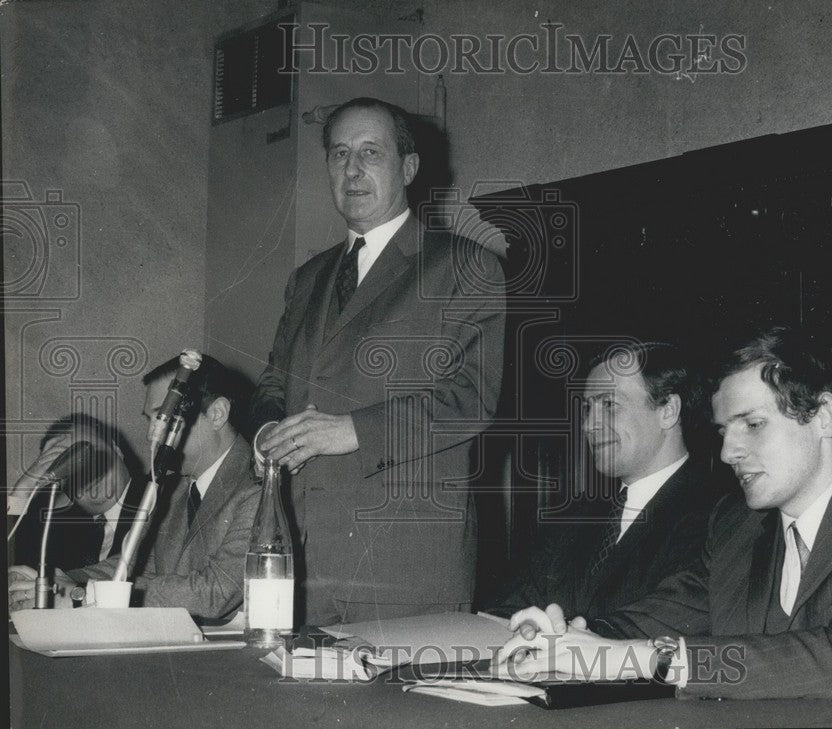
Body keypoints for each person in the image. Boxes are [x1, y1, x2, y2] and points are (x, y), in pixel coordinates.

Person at [498, 326, 832, 702]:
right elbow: (659, 619)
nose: (727, 452)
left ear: (824, 415)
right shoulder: (737, 525)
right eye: (724, 430)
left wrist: (649, 660)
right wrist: (568, 635)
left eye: (753, 425)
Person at [251, 97, 505, 625]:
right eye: (340, 153)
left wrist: (354, 431)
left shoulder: (464, 265)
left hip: (404, 570)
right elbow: (275, 383)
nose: (352, 168)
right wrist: (266, 435)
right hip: (300, 567)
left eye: (371, 152)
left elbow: (471, 400)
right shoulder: (307, 279)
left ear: (408, 168)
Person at [9, 355, 260, 622]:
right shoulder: (174, 489)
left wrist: (85, 594)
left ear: (217, 414)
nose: (152, 434)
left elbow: (216, 593)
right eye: (150, 420)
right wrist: (55, 582)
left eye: (163, 417)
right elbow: (133, 565)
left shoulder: (258, 485)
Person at [488, 342, 718, 622]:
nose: (588, 425)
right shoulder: (573, 517)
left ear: (668, 410)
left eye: (609, 405)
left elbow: (665, 622)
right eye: (588, 409)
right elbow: (507, 609)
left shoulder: (719, 517)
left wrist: (566, 643)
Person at [10, 414, 142, 571]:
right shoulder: (56, 534)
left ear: (117, 450)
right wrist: (22, 491)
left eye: (89, 453)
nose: (86, 472)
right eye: (70, 465)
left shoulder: (164, 497)